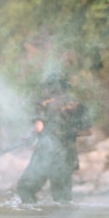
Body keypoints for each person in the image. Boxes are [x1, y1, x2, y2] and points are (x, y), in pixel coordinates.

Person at [16, 72, 92, 203]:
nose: (45, 90)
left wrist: (30, 139)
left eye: (46, 87)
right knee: (63, 199)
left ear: (52, 87)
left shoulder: (44, 103)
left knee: (25, 189)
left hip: (45, 154)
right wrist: (67, 132)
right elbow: (88, 131)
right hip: (67, 155)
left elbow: (39, 127)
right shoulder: (77, 104)